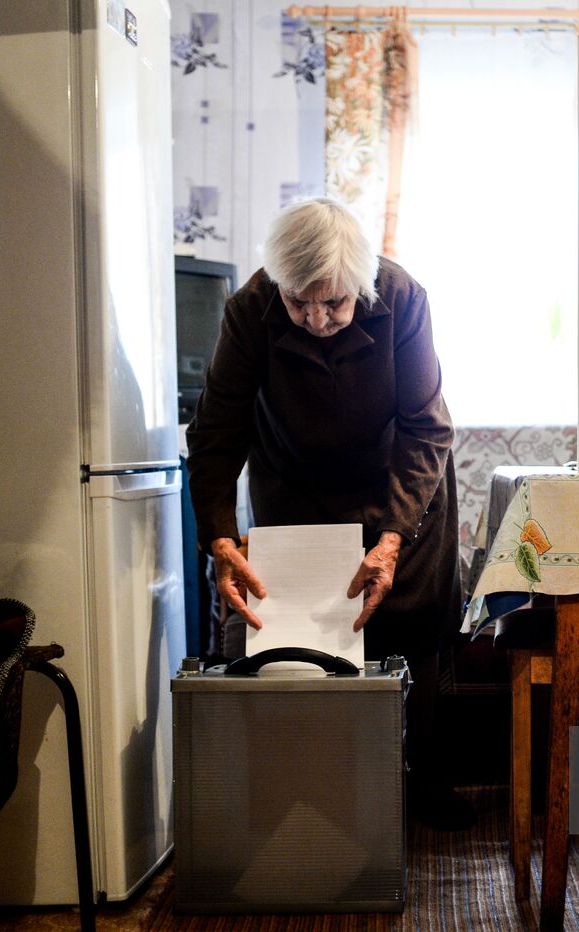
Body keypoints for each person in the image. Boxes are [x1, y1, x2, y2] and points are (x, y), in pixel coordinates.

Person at [185, 197, 469, 828]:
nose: (315, 318)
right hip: (296, 485)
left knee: (409, 623)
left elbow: (426, 428)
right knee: (299, 630)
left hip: (400, 486)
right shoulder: (249, 308)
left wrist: (392, 537)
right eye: (298, 302)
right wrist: (220, 538)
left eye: (334, 303)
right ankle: (310, 786)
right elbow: (216, 432)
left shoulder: (404, 298)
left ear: (360, 285)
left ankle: (421, 775)